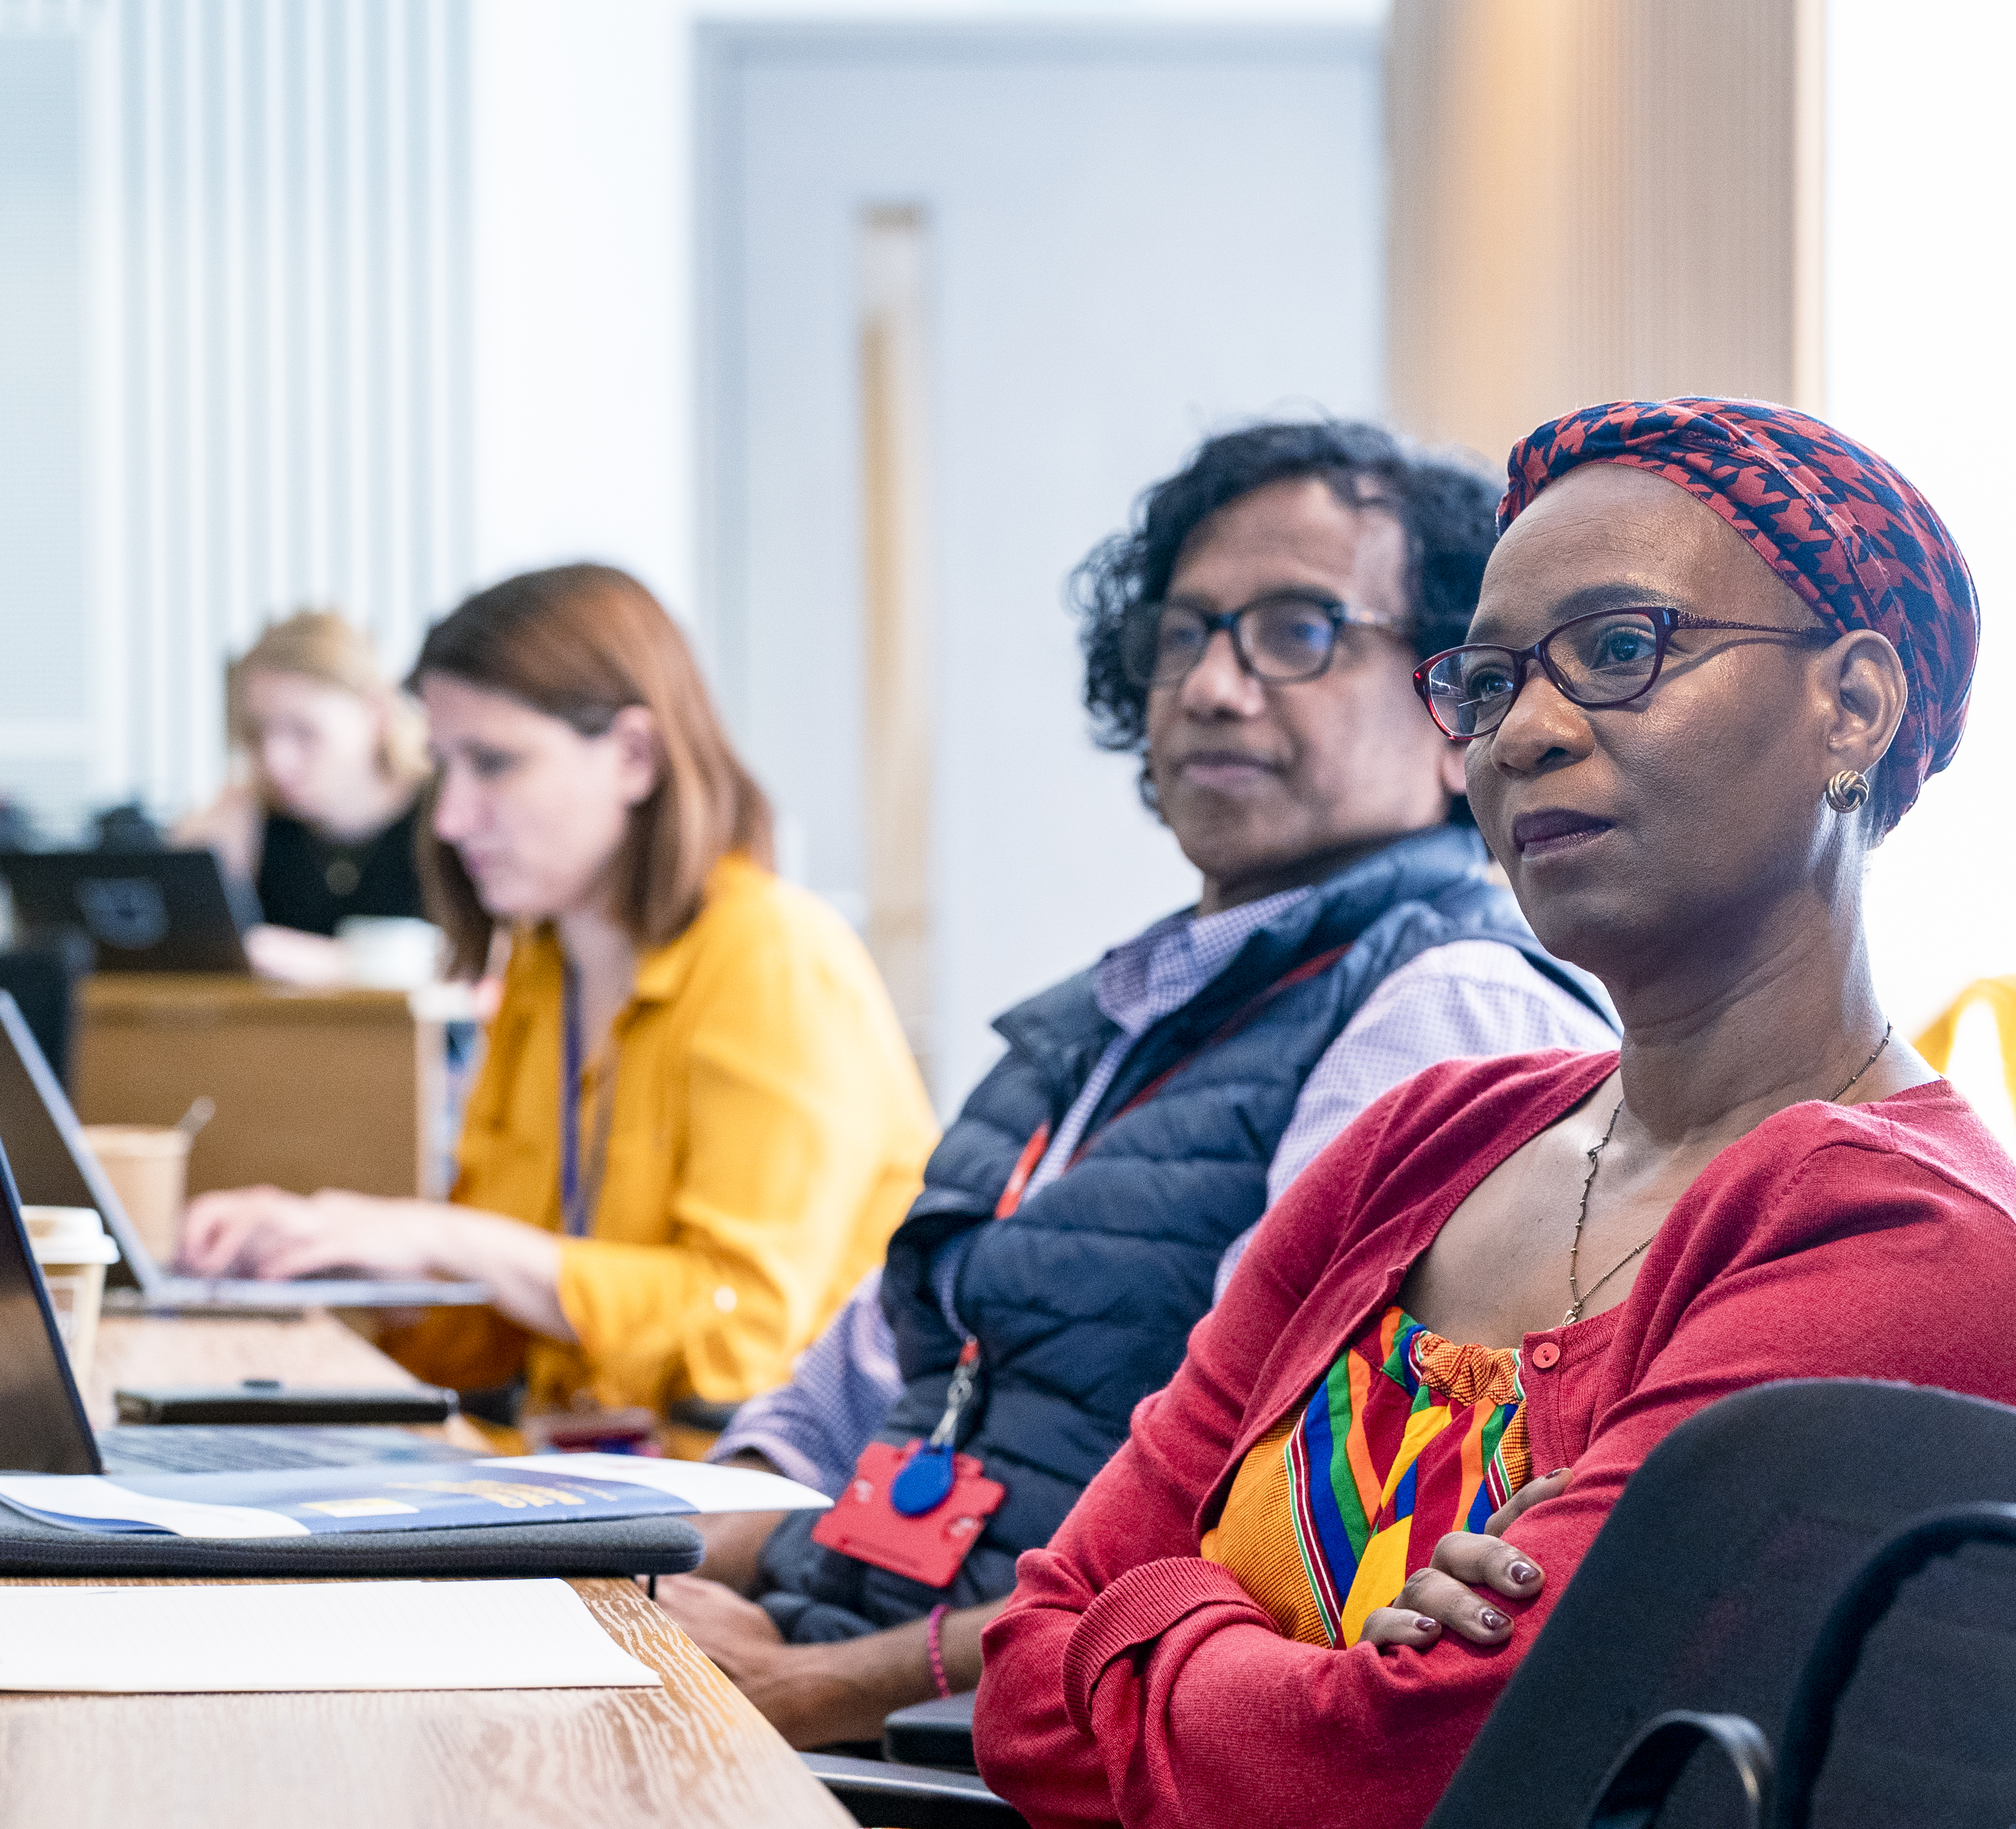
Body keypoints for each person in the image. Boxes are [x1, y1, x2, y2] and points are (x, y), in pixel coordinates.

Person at [972, 399, 2016, 1829]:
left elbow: (1406, 1768)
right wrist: (1288, 1682)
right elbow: (1022, 1658)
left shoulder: (1899, 1232)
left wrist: (1166, 1621)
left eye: (1623, 652)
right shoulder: (1425, 1142)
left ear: (1854, 707)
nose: (1523, 739)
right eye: (1490, 685)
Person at [655, 421, 1617, 1748]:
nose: (1212, 688)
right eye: (1183, 634)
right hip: (851, 1654)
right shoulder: (1118, 1011)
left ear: (1454, 702)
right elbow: (857, 1379)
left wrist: (810, 1686)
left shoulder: (1445, 1007)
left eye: (1296, 633)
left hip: (997, 1743)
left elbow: (1259, 1526)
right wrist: (663, 1554)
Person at [178, 564, 938, 1416]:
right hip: (587, 1473)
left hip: (743, 1500)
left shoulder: (775, 957)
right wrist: (362, 1261)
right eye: (444, 767)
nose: (451, 816)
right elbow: (493, 1341)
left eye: (494, 764)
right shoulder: (542, 967)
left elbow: (743, 1334)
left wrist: (444, 1239)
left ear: (634, 757)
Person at [173, 610, 432, 985]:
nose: (275, 761)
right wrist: (208, 875)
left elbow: (473, 966)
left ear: (375, 713)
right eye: (259, 733)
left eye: (303, 731)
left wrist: (339, 966)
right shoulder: (247, 822)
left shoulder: (448, 815)